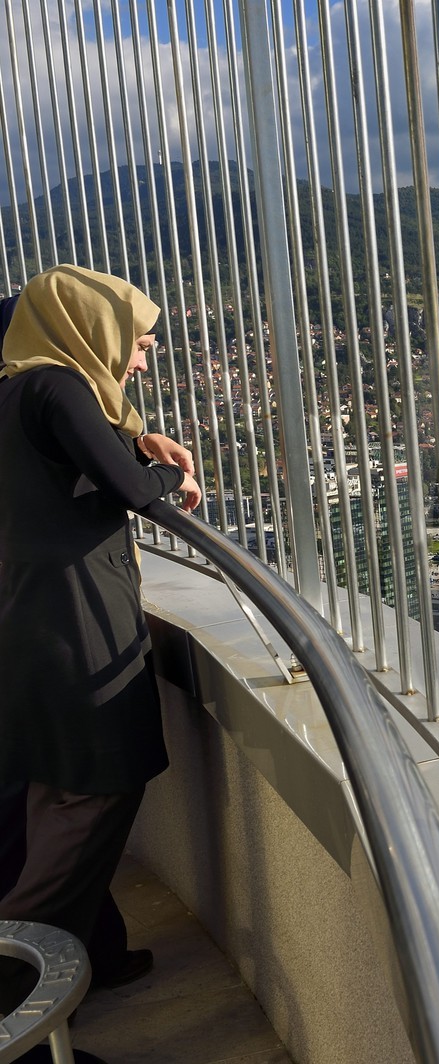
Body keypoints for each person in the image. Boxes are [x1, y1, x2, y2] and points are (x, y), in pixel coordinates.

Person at [0, 265, 201, 1022]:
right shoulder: (57, 388)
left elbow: (88, 457)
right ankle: (19, 1003)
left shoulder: (20, 387)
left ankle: (91, 956)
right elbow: (133, 487)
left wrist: (134, 432)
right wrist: (162, 468)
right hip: (73, 623)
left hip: (36, 617)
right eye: (139, 343)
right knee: (89, 798)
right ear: (95, 332)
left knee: (58, 795)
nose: (143, 360)